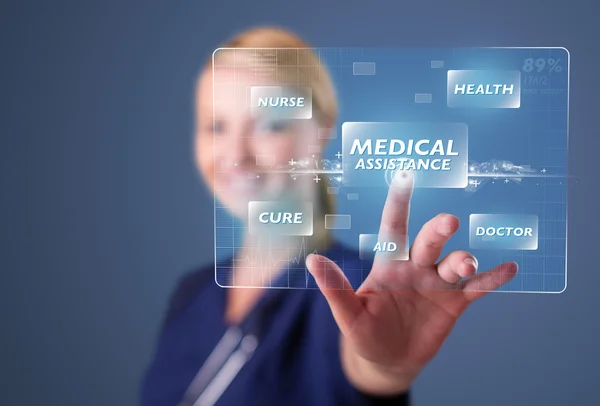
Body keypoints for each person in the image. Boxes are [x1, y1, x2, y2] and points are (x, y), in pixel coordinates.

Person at [140, 26, 518, 406]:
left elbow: (366, 366)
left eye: (270, 124)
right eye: (216, 126)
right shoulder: (193, 292)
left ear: (321, 128)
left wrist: (386, 369)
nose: (236, 155)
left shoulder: (359, 286)